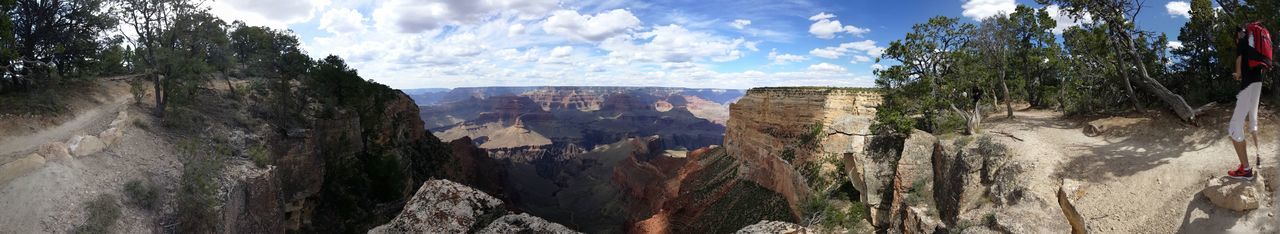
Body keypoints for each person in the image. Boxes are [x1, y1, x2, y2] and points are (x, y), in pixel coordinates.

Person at [1227, 23, 1270, 180]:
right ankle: (1257, 158)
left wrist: (1237, 74)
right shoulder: (1254, 46)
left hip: (1248, 86)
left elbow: (1239, 65)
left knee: (1233, 128)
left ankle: (1245, 170)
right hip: (1258, 84)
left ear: (1238, 34)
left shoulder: (1242, 41)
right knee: (1252, 121)